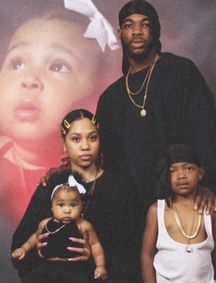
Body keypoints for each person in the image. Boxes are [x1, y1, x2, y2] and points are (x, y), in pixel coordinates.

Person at [96, 0, 216, 245]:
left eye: (144, 24)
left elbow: (205, 131)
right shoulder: (110, 99)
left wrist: (208, 184)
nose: (136, 31)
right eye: (128, 25)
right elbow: (103, 160)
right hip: (130, 218)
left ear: (155, 31)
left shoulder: (181, 72)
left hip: (182, 204)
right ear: (119, 33)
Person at [0, 1, 118, 221]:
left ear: (97, 88)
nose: (29, 79)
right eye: (17, 63)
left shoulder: (99, 181)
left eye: (58, 66)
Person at [11, 109, 135, 283]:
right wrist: (38, 251)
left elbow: (130, 250)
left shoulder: (118, 187)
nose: (85, 146)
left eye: (92, 138)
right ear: (64, 144)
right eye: (76, 139)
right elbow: (19, 246)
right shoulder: (52, 184)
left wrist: (94, 259)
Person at [141, 144, 216, 283]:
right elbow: (147, 255)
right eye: (173, 171)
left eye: (188, 169)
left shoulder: (210, 210)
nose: (181, 176)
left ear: (200, 173)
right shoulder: (157, 210)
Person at [12, 179, 108, 282]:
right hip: (47, 266)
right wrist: (23, 249)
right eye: (61, 205)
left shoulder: (83, 225)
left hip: (74, 269)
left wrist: (101, 266)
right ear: (52, 207)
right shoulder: (45, 223)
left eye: (73, 205)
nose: (67, 210)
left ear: (81, 206)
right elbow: (35, 238)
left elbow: (95, 245)